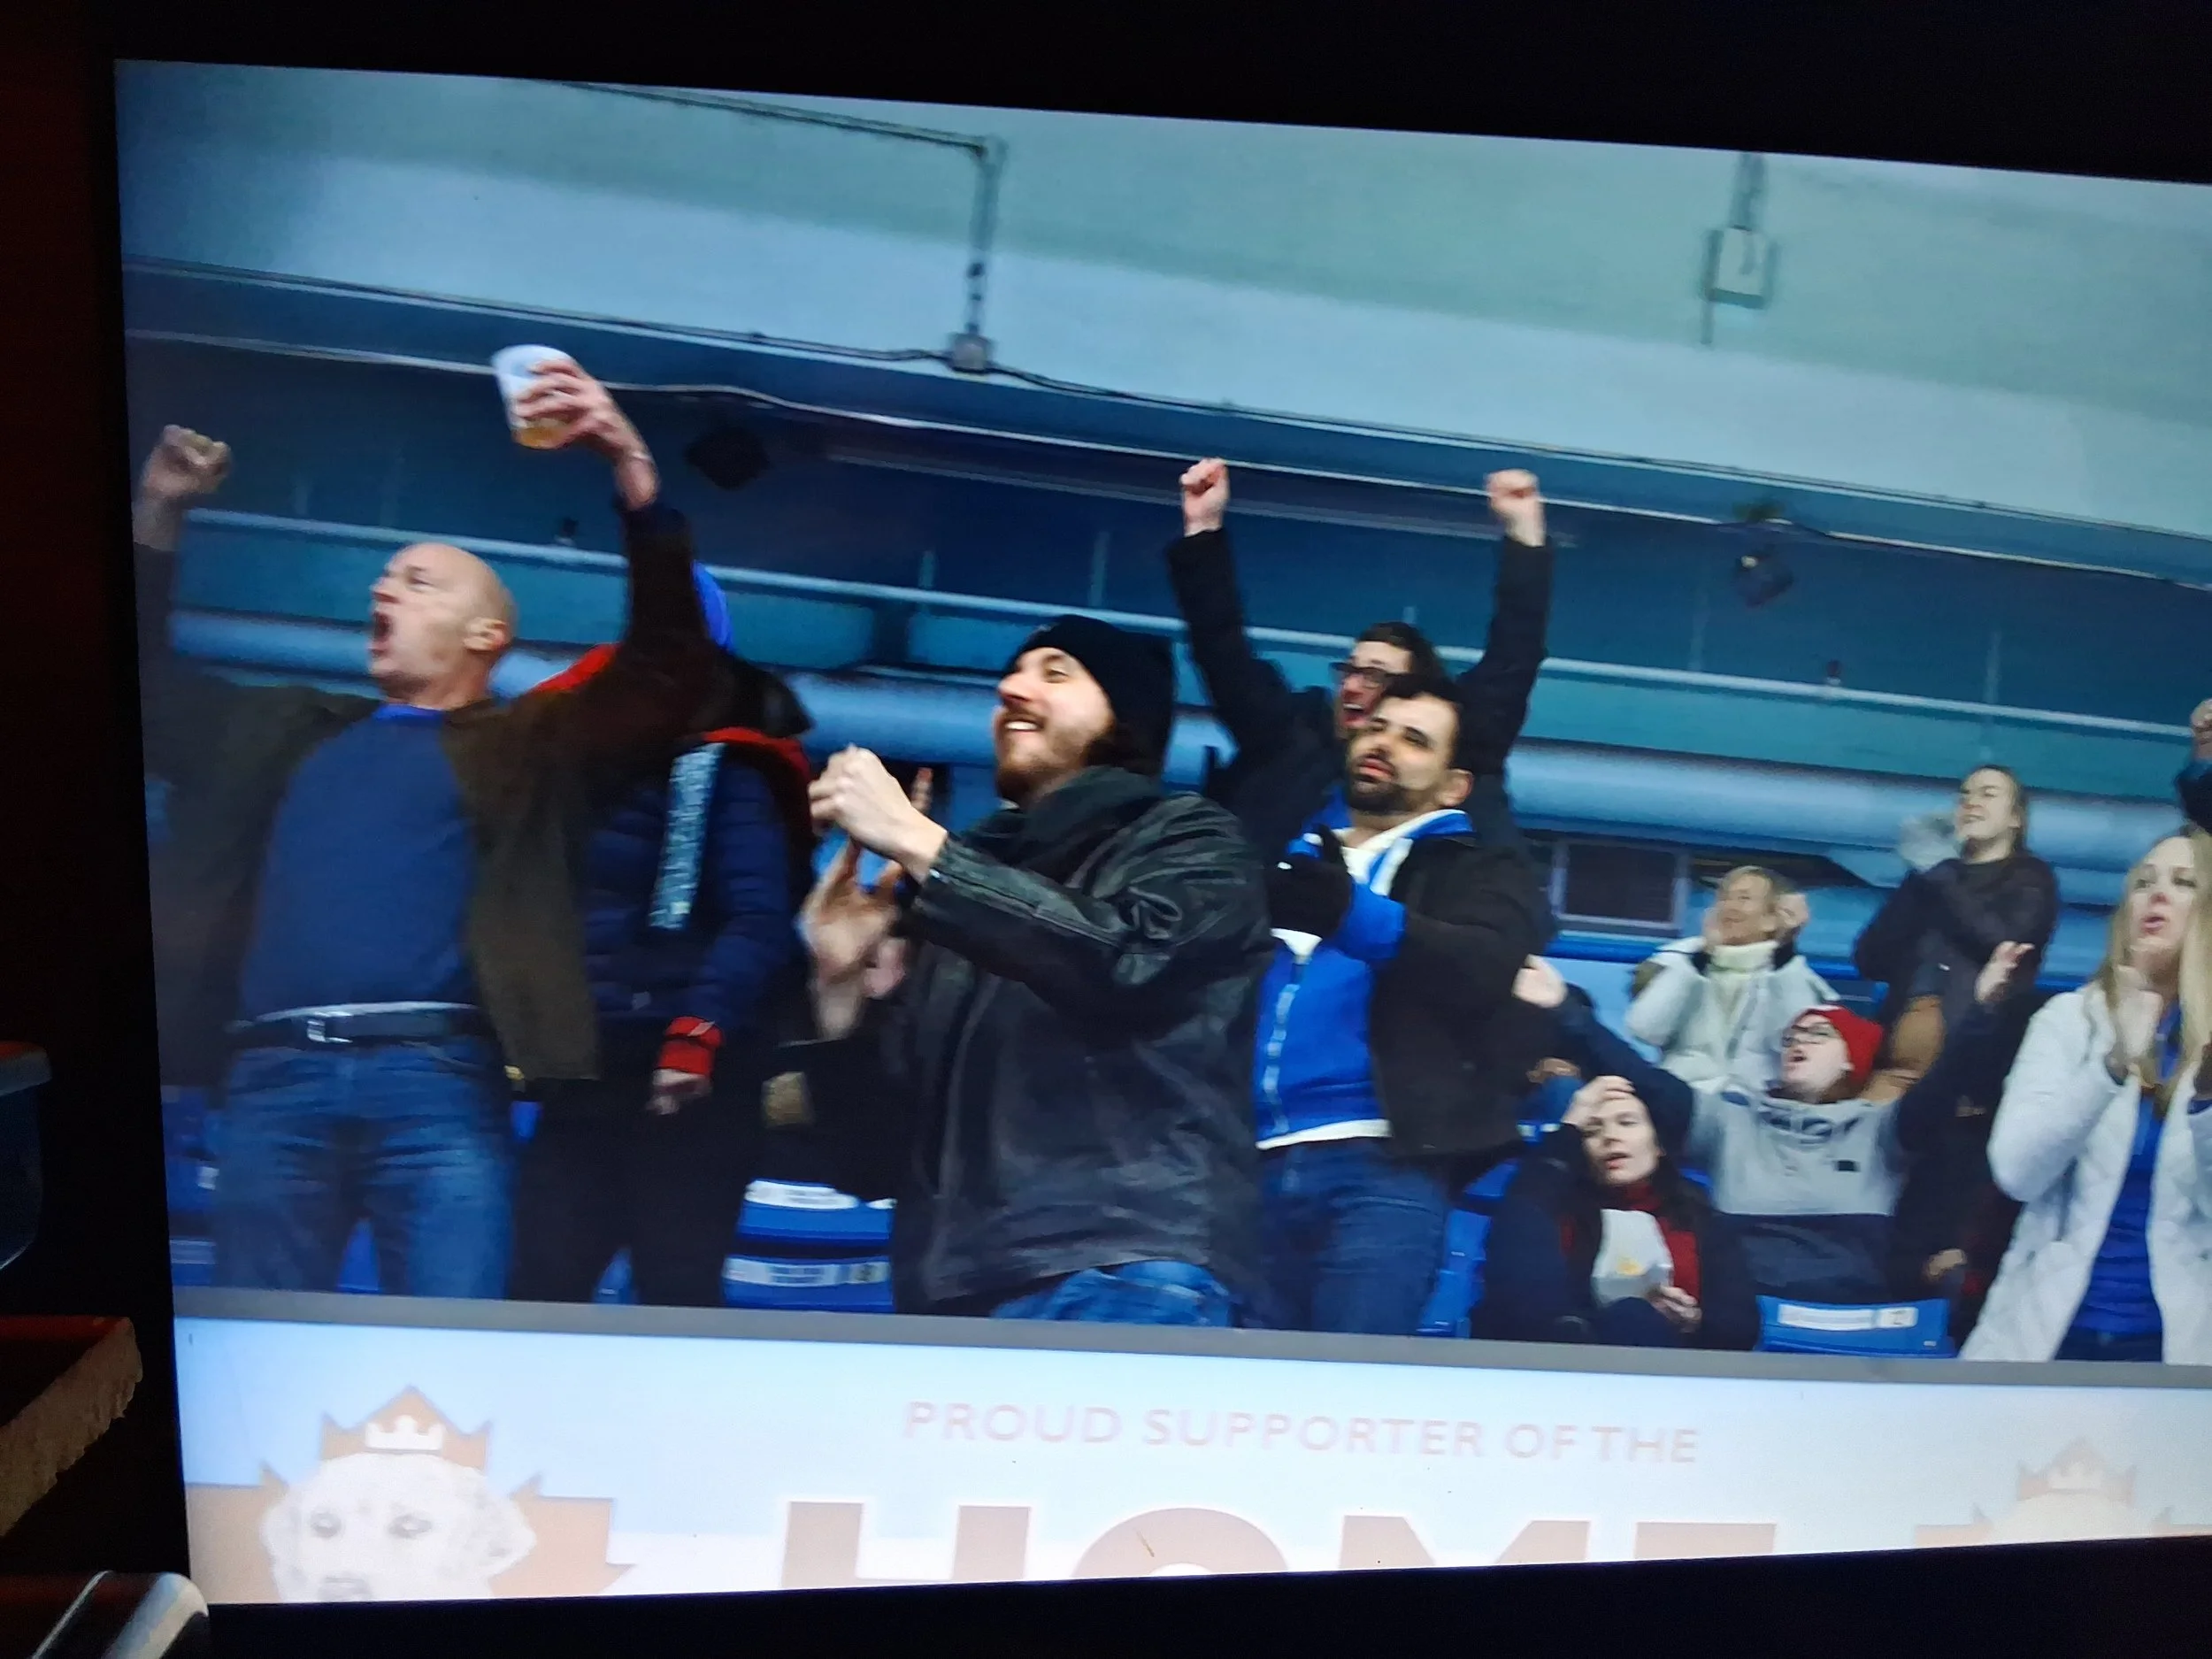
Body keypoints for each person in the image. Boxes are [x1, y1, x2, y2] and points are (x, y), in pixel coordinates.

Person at [134, 359, 724, 1298]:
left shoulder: (527, 749)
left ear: (486, 636)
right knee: (260, 1359)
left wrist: (627, 460)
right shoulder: (287, 734)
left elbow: (667, 670)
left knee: (449, 1362)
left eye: (419, 582)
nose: (386, 590)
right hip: (271, 1081)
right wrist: (159, 517)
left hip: (438, 1085)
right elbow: (147, 693)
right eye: (383, 580)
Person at [775, 615, 1273, 1324]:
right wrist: (838, 989)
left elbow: (1129, 963)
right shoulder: (962, 896)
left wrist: (926, 847)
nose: (1011, 687)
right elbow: (871, 1161)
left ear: (1124, 717)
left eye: (1055, 671)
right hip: (951, 1285)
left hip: (1116, 1261)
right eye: (1013, 672)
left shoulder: (1191, 837)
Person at [505, 570, 816, 1309]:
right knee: (539, 1288)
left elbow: (759, 918)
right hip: (588, 1070)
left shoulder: (732, 770)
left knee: (675, 1290)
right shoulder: (569, 766)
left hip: (692, 1078)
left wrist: (696, 1032)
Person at [1250, 672, 1552, 1333]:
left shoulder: (1483, 870)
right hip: (1245, 1164)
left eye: (1415, 739)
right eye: (1377, 727)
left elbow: (1482, 965)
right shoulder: (1282, 854)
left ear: (1453, 786)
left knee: (1348, 1404)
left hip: (1381, 1168)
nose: (1383, 743)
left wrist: (1351, 912)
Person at [1513, 941, 2036, 1307]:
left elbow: (1945, 1086)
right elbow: (1640, 1076)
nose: (1797, 1043)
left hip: (1850, 1313)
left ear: (1852, 1061)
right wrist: (1564, 1009)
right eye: (1791, 1037)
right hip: (1743, 1308)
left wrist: (1983, 1012)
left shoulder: (1881, 1130)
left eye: (1817, 1035)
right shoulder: (1729, 1123)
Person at [1167, 459, 1554, 864]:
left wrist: (1524, 535)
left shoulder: (1462, 749)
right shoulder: (1287, 738)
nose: (1352, 687)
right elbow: (1220, 646)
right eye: (1350, 671)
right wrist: (1203, 530)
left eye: (1376, 677)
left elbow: (1515, 653)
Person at [1964, 831, 2212, 1364]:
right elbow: (2016, 1172)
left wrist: (2208, 1101)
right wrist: (2111, 1066)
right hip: (2048, 1337)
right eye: (2143, 883)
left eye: (2184, 883)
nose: (2157, 895)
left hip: (2183, 1352)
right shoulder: (2068, 1021)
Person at [1474, 1076, 1757, 1350]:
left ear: (1658, 1144)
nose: (1610, 1136)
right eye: (1591, 1130)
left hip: (1664, 1373)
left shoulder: (1704, 1222)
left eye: (1627, 1122)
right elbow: (1518, 1284)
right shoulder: (1553, 1207)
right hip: (1558, 1360)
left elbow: (1740, 1328)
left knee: (1634, 1316)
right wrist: (1570, 1124)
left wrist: (1693, 1322)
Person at [1852, 766, 2058, 1093]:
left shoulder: (2031, 877)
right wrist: (1918, 876)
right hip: (1894, 1048)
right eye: (1965, 795)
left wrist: (1941, 870)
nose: (1971, 803)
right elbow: (1870, 959)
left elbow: (2003, 942)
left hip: (1966, 1061)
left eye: (1988, 794)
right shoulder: (1931, 877)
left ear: (2016, 819)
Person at [1627, 867, 1831, 1090]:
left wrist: (1784, 954)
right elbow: (1645, 1030)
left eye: (1744, 898)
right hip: (1681, 1097)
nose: (1729, 906)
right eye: (1724, 897)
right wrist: (1701, 959)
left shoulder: (1793, 975)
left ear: (1773, 919)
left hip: (1757, 1106)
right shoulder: (1679, 962)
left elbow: (1790, 1040)